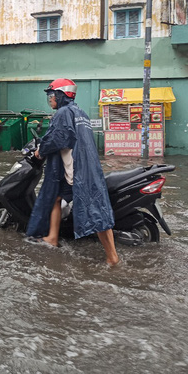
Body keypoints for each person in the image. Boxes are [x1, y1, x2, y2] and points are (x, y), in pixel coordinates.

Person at [26, 78, 120, 265]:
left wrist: (40, 151)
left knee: (96, 214)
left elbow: (58, 138)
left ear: (61, 95)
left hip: (78, 172)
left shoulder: (63, 113)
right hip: (87, 168)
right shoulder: (80, 113)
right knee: (55, 197)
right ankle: (52, 237)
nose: (50, 99)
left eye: (52, 95)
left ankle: (113, 258)